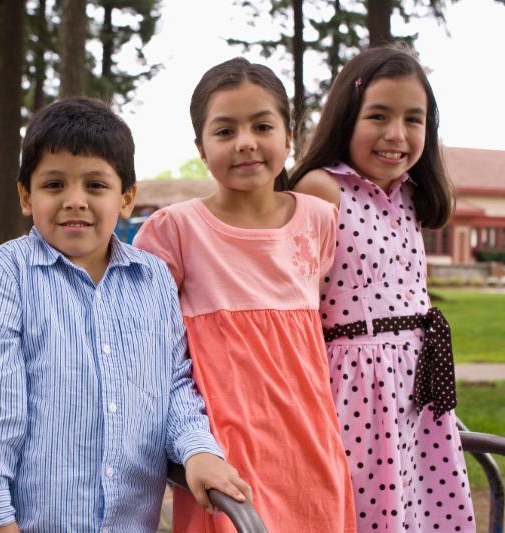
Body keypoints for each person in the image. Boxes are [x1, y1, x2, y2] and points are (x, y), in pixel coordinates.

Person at [0, 97, 251, 533]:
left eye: (95, 185)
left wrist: (198, 450)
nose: (75, 201)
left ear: (126, 198)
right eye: (54, 185)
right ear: (25, 195)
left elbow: (174, 384)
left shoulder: (153, 279)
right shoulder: (5, 273)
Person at [133, 57, 356, 532]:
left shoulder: (319, 220)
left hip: (310, 446)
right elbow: (150, 352)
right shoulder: (174, 231)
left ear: (289, 137)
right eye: (225, 131)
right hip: (224, 452)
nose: (246, 142)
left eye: (262, 126)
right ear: (201, 147)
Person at [289, 45, 475, 531]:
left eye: (413, 119)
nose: (396, 134)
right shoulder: (322, 189)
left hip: (415, 389)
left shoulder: (410, 195)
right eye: (378, 116)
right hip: (356, 389)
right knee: (368, 511)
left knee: (424, 506)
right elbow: (296, 308)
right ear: (346, 118)